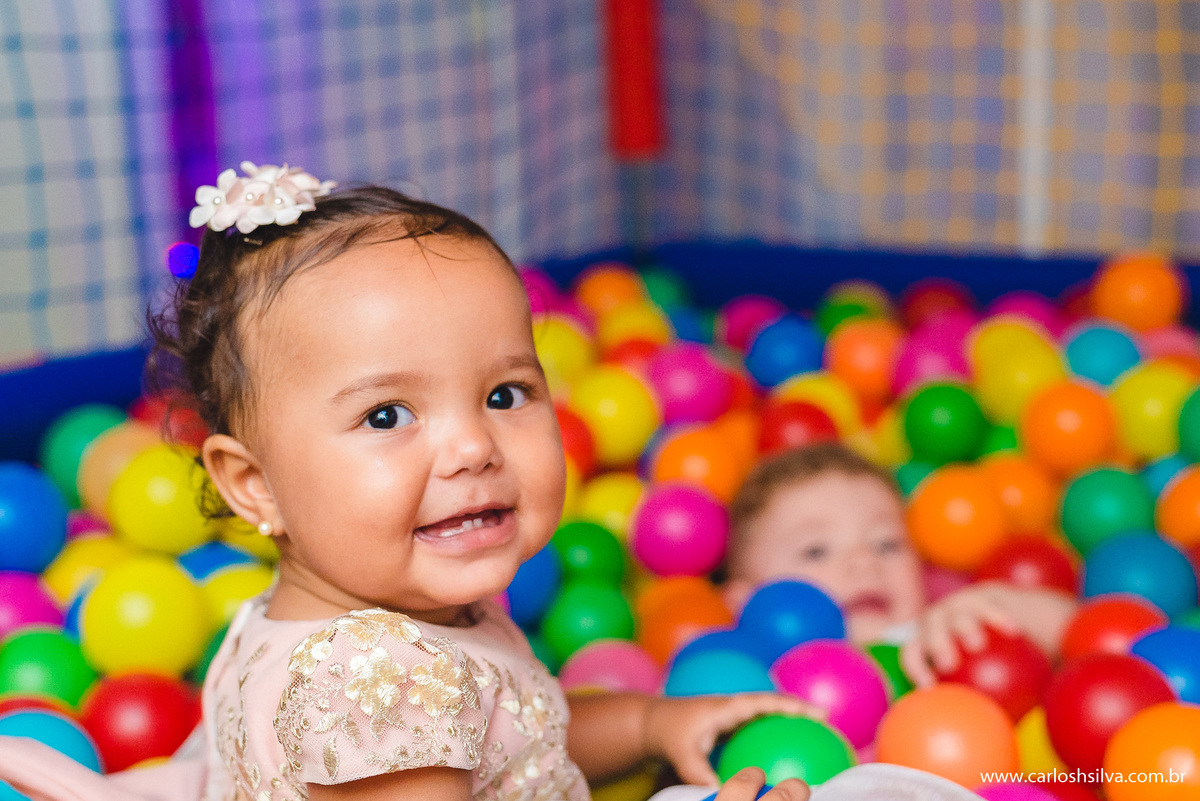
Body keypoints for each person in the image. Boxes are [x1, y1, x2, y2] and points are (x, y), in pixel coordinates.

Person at [0, 165, 818, 801]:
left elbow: (520, 740)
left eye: (505, 395)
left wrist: (647, 720)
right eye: (388, 415)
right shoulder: (382, 683)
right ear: (255, 485)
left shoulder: (357, 616)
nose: (472, 445)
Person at [723, 443, 1078, 687]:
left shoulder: (937, 642)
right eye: (816, 551)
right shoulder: (745, 679)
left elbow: (1081, 629)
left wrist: (1001, 609)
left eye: (887, 544)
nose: (865, 562)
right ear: (744, 603)